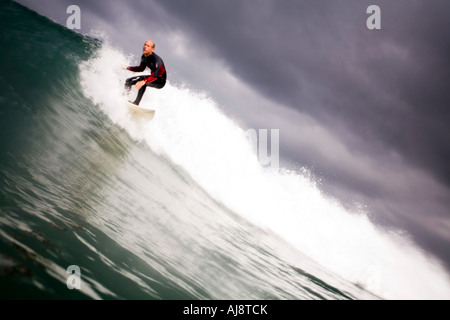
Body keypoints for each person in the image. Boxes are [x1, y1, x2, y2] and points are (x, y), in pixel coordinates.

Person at [123, 40, 167, 106]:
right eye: (145, 44)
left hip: (160, 81)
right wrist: (128, 68)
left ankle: (136, 103)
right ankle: (124, 98)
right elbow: (141, 68)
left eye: (148, 46)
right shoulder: (144, 57)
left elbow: (155, 75)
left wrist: (144, 81)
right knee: (128, 81)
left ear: (152, 49)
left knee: (143, 81)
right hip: (152, 77)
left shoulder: (157, 60)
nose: (145, 47)